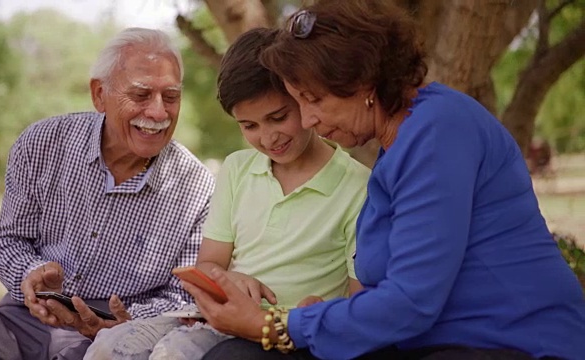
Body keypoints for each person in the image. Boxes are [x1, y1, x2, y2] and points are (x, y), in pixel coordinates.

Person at [184, 1, 585, 360]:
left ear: (363, 84)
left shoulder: (438, 130)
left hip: (510, 343)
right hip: (422, 342)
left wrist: (276, 326)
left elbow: (412, 300)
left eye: (314, 100)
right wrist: (314, 314)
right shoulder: (394, 151)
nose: (307, 120)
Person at [85, 27, 371, 360]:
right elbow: (208, 265)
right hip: (213, 316)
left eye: (278, 118)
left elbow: (358, 303)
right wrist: (229, 278)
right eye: (249, 126)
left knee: (174, 354)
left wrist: (316, 313)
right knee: (107, 346)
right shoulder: (237, 169)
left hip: (282, 328)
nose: (267, 138)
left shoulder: (357, 186)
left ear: (304, 98)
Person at [0, 27, 215, 360]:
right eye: (142, 95)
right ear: (99, 94)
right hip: (22, 318)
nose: (159, 113)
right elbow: (9, 241)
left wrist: (122, 324)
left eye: (171, 96)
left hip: (114, 335)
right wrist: (31, 276)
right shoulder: (41, 143)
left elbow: (181, 297)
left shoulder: (197, 186)